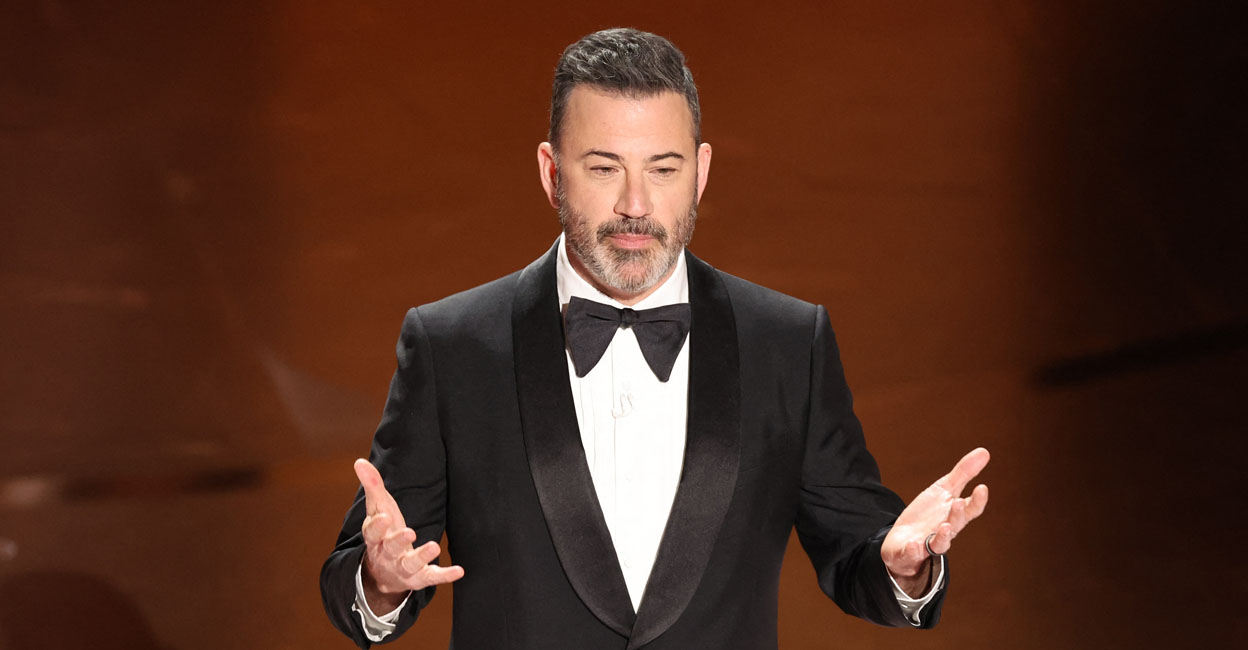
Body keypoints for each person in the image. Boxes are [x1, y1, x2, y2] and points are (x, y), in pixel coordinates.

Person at [320, 27, 989, 650]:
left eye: (663, 169)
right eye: (604, 168)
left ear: (701, 171)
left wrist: (904, 567)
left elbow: (856, 552)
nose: (635, 206)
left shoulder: (789, 343)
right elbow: (365, 571)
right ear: (552, 173)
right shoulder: (452, 347)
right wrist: (380, 581)